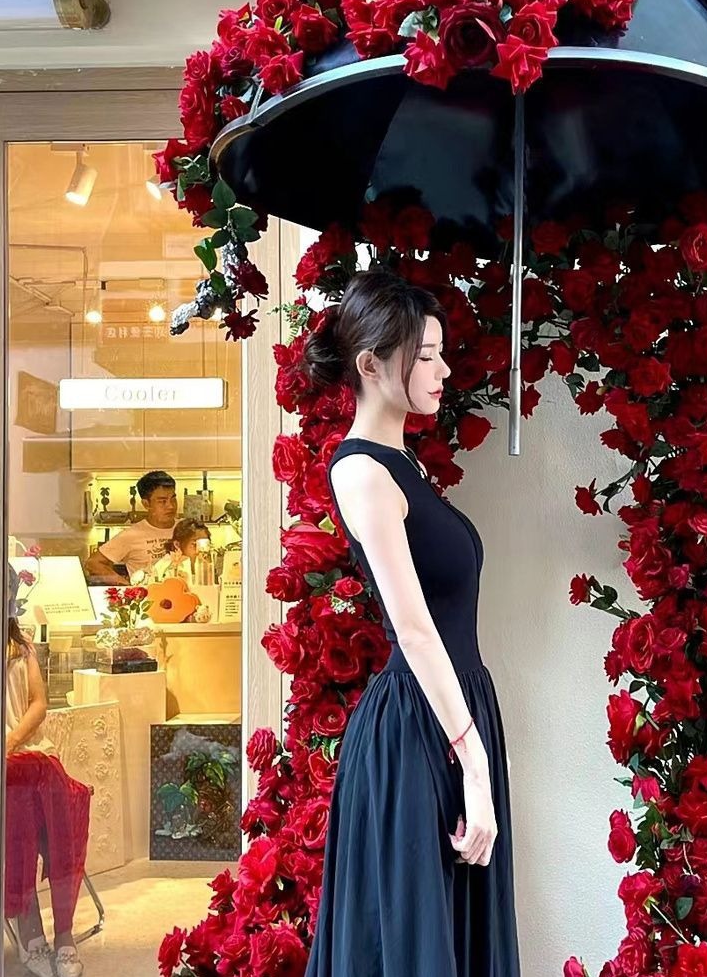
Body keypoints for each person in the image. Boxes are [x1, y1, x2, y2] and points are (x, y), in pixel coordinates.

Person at [302, 269, 520, 977]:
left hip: (451, 714)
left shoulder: (403, 465)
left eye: (439, 351)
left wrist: (476, 747)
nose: (443, 368)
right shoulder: (363, 472)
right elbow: (415, 629)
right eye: (424, 354)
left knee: (449, 936)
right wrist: (475, 760)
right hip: (417, 735)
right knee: (415, 946)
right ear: (370, 364)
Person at [5, 565, 91, 977]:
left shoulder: (20, 645)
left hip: (29, 755)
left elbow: (39, 704)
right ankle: (31, 929)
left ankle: (63, 934)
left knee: (57, 823)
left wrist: (10, 741)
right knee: (17, 812)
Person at [83, 470, 178, 584]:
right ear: (146, 504)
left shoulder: (186, 529)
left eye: (173, 499)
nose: (170, 506)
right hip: (149, 598)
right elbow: (93, 563)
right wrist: (124, 585)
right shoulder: (132, 535)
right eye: (162, 501)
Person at [149, 520, 212, 586]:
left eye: (205, 544)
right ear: (177, 544)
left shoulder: (209, 565)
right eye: (195, 544)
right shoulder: (165, 567)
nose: (201, 550)